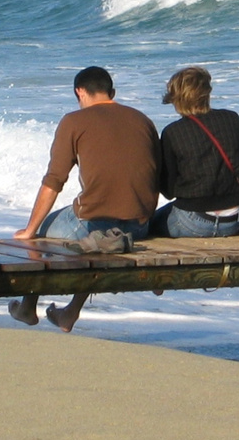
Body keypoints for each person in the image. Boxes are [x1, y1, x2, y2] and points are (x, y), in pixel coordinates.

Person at [9, 66, 159, 331]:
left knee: (45, 232)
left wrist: (30, 230)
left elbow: (54, 180)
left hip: (94, 223)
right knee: (96, 236)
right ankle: (69, 313)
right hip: (139, 225)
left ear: (80, 91)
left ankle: (27, 308)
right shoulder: (143, 119)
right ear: (112, 92)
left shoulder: (73, 121)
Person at [150, 66, 239, 238]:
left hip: (192, 221)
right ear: (207, 93)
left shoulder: (173, 132)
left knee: (147, 226)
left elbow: (168, 191)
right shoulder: (232, 119)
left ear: (177, 98)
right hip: (233, 221)